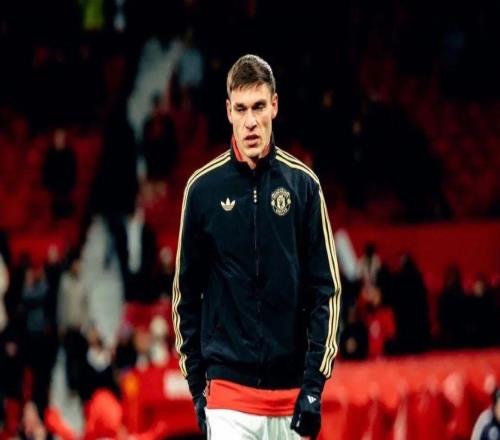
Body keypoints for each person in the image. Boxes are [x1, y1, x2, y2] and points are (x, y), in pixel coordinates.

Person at [172, 54, 342, 439]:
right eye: (242, 109)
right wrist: (197, 387)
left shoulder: (304, 187)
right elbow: (185, 296)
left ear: (275, 106)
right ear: (228, 111)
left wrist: (313, 387)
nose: (251, 121)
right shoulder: (201, 191)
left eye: (259, 107)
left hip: (293, 398)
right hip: (228, 401)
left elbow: (326, 291)